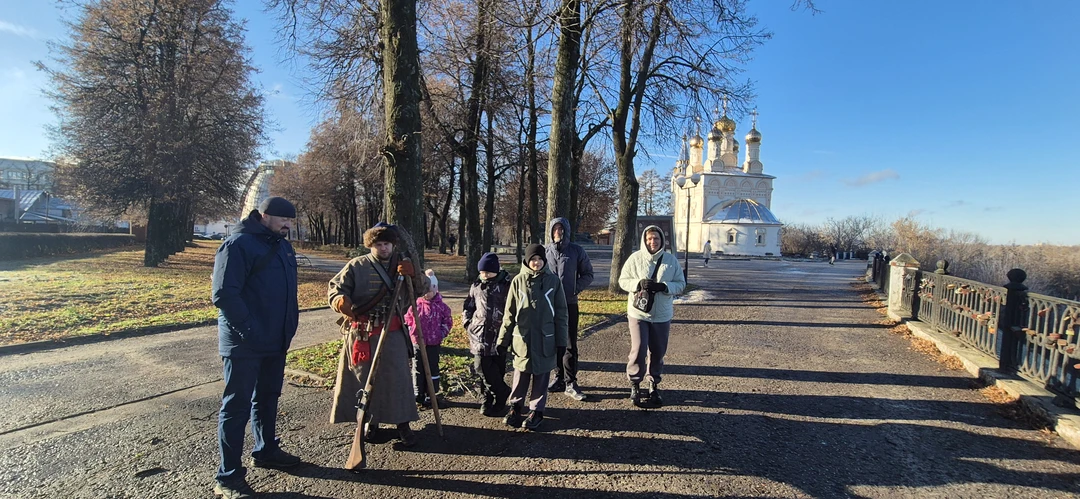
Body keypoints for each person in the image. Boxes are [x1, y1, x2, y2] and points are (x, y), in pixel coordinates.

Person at [210, 196, 302, 498]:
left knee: (267, 398)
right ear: (264, 216)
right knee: (236, 407)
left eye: (291, 220)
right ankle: (228, 476)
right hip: (244, 343)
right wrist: (250, 330)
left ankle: (266, 450)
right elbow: (224, 294)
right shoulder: (238, 245)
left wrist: (286, 330)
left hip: (275, 341)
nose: (288, 225)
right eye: (283, 220)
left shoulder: (282, 246)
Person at [327, 223, 429, 451]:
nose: (383, 248)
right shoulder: (356, 266)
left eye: (387, 244)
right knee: (362, 380)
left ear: (393, 245)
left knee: (398, 381)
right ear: (370, 245)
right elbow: (335, 289)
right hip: (361, 333)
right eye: (378, 244)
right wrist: (340, 301)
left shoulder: (403, 264)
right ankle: (369, 422)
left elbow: (422, 290)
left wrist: (414, 275)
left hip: (392, 332)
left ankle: (403, 425)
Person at [497, 244, 568, 431]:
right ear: (527, 261)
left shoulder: (553, 282)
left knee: (541, 376)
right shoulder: (517, 281)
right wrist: (502, 341)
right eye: (532, 260)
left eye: (539, 259)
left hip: (546, 338)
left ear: (544, 261)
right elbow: (509, 313)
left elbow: (561, 313)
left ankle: (536, 410)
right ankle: (515, 406)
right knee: (520, 374)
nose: (536, 263)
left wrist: (562, 341)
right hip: (523, 339)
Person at [617, 225, 686, 408]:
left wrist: (665, 287)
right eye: (649, 239)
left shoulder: (671, 260)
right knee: (638, 349)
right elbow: (622, 281)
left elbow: (681, 284)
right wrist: (637, 284)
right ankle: (635, 383)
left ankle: (653, 384)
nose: (652, 242)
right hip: (638, 313)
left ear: (661, 240)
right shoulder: (635, 258)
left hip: (662, 314)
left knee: (658, 351)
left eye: (656, 238)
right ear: (644, 240)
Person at [544, 217, 594, 401]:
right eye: (555, 229)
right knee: (553, 343)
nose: (558, 232)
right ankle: (558, 377)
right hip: (549, 305)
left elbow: (588, 274)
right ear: (551, 231)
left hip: (569, 304)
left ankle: (571, 381)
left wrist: (575, 288)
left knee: (569, 344)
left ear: (566, 230)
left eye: (561, 229)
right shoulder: (545, 252)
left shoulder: (576, 251)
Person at [462, 252, 513, 416]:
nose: (484, 275)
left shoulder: (507, 285)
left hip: (500, 334)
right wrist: (468, 323)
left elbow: (514, 307)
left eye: (488, 272)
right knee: (481, 366)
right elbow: (468, 305)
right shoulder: (477, 285)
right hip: (479, 334)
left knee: (497, 369)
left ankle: (495, 401)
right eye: (482, 272)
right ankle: (500, 392)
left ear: (496, 271)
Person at [404, 269, 453, 409]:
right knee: (418, 367)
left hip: (433, 342)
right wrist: (412, 331)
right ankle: (418, 394)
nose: (427, 293)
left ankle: (432, 393)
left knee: (432, 367)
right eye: (424, 290)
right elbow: (408, 319)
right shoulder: (416, 305)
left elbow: (448, 322)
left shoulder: (441, 307)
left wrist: (441, 333)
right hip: (418, 343)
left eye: (430, 290)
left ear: (436, 289)